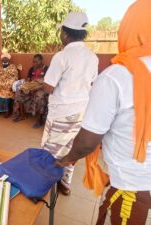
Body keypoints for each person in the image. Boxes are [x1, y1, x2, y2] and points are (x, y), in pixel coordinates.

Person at [56, 1, 151, 224]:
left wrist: (67, 159)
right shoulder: (93, 59)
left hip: (134, 186)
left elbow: (88, 141)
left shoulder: (117, 76)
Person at [41, 12, 99, 195]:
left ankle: (46, 186)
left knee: (50, 153)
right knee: (71, 149)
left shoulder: (61, 56)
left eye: (61, 33)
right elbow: (91, 83)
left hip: (61, 114)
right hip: (82, 112)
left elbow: (48, 87)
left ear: (65, 34)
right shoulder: (92, 57)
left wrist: (42, 83)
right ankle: (65, 183)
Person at [13, 54, 49, 128]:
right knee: (19, 93)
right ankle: (21, 115)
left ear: (41, 61)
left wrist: (37, 88)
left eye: (36, 62)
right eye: (33, 62)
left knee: (39, 97)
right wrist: (27, 85)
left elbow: (48, 82)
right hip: (31, 87)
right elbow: (28, 79)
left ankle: (40, 120)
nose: (34, 63)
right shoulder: (31, 69)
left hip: (42, 88)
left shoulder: (46, 69)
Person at [0, 53, 18, 117]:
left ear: (9, 60)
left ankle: (7, 111)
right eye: (3, 60)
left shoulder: (13, 67)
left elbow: (14, 77)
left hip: (7, 85)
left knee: (5, 92)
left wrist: (5, 83)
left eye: (6, 60)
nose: (4, 61)